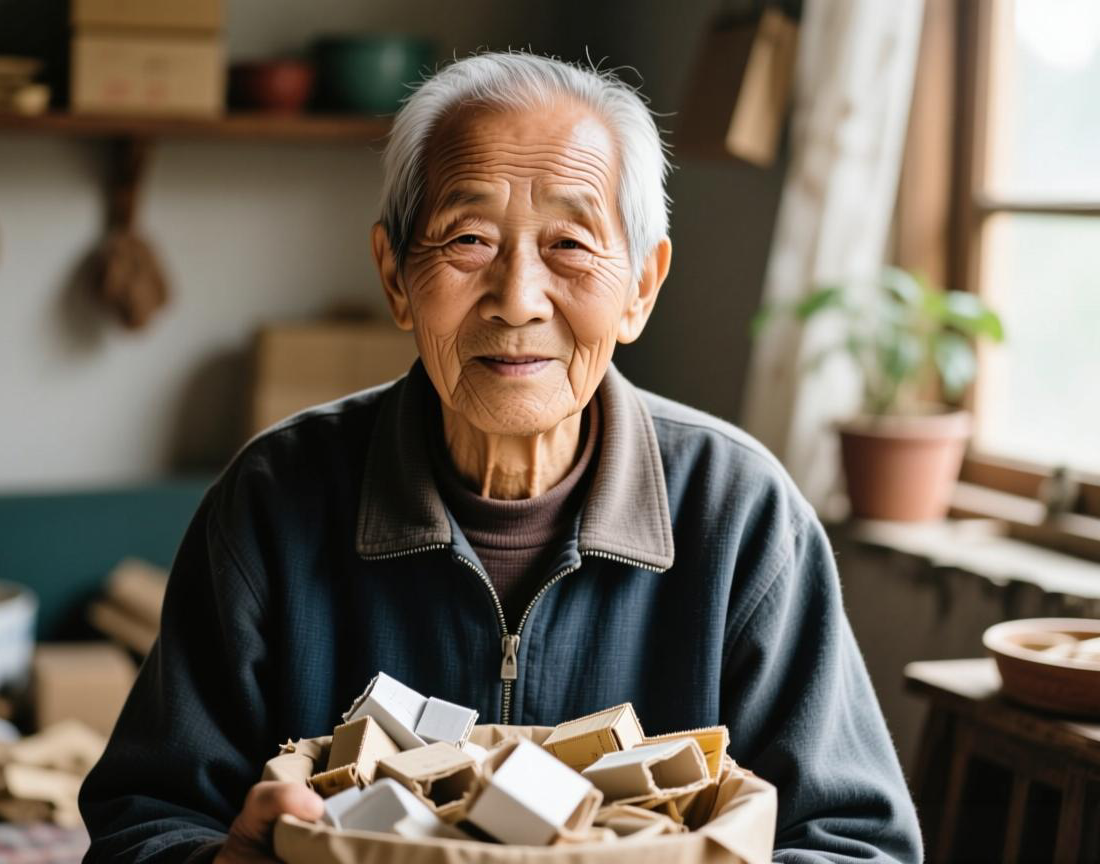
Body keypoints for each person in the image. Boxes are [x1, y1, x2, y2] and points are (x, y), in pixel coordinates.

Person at [79, 52, 923, 863]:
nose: (517, 300)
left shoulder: (741, 513)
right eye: (468, 239)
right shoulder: (271, 499)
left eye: (570, 244)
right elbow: (140, 822)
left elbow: (857, 842)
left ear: (641, 287)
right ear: (395, 276)